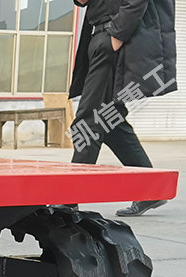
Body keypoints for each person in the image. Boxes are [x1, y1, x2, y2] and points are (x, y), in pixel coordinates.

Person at [68, 0, 176, 216]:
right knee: (109, 121)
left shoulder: (114, 36)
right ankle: (151, 189)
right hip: (98, 35)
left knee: (89, 121)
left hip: (114, 37)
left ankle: (67, 198)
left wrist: (116, 36)